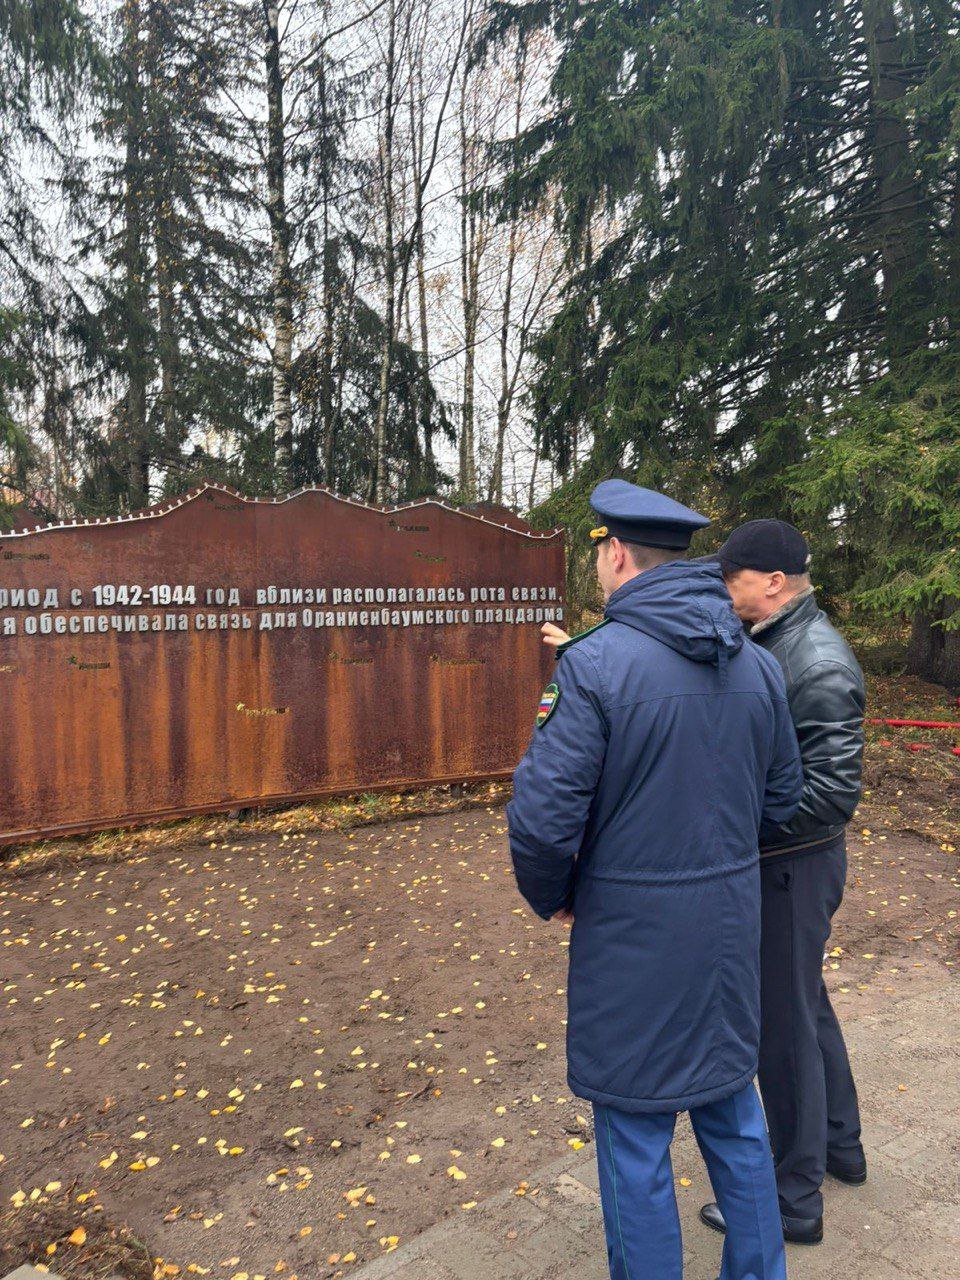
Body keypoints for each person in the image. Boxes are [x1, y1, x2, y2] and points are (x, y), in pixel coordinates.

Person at [508, 479, 803, 1280]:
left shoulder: (595, 666)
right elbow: (783, 799)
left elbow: (540, 823)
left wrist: (558, 896)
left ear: (615, 556)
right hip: (729, 931)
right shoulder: (758, 666)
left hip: (634, 941)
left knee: (635, 1133)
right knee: (734, 1113)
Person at [696, 520, 867, 1245]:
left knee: (782, 1025)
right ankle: (840, 1148)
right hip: (790, 863)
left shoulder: (818, 661)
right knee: (805, 1004)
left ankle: (793, 1201)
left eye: (731, 580)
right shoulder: (777, 640)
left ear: (771, 582)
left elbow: (831, 794)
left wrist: (735, 827)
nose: (722, 593)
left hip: (793, 867)